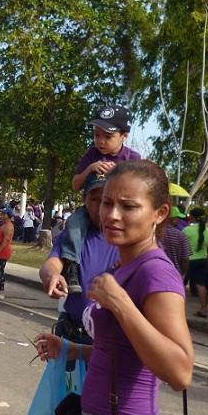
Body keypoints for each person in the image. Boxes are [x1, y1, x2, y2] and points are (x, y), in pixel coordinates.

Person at [35, 160, 194, 415]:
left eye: (129, 206)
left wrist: (121, 304)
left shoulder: (155, 273)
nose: (113, 215)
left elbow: (180, 371)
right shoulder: (122, 264)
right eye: (107, 203)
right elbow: (120, 350)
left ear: (159, 213)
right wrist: (71, 349)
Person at [39, 175, 119, 415]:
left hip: (109, 345)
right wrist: (50, 276)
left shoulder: (125, 241)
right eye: (94, 199)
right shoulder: (77, 233)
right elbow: (52, 263)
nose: (102, 208)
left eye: (108, 199)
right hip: (74, 338)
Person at [61, 106, 141, 293]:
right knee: (74, 222)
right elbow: (75, 185)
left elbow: (138, 192)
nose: (101, 141)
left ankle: (131, 266)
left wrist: (119, 173)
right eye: (97, 135)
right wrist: (90, 168)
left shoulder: (132, 158)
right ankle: (72, 265)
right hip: (93, 208)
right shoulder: (91, 154)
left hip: (118, 208)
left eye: (108, 136)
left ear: (124, 136)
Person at [184, 208, 208, 318]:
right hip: (203, 259)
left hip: (189, 260)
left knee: (180, 283)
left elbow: (183, 247)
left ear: (192, 217)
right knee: (201, 284)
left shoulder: (187, 230)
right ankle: (203, 308)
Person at [162, 206, 191, 276]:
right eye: (178, 218)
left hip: (158, 272)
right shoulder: (181, 236)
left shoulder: (155, 233)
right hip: (175, 274)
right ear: (172, 219)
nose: (179, 220)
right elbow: (185, 259)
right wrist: (182, 273)